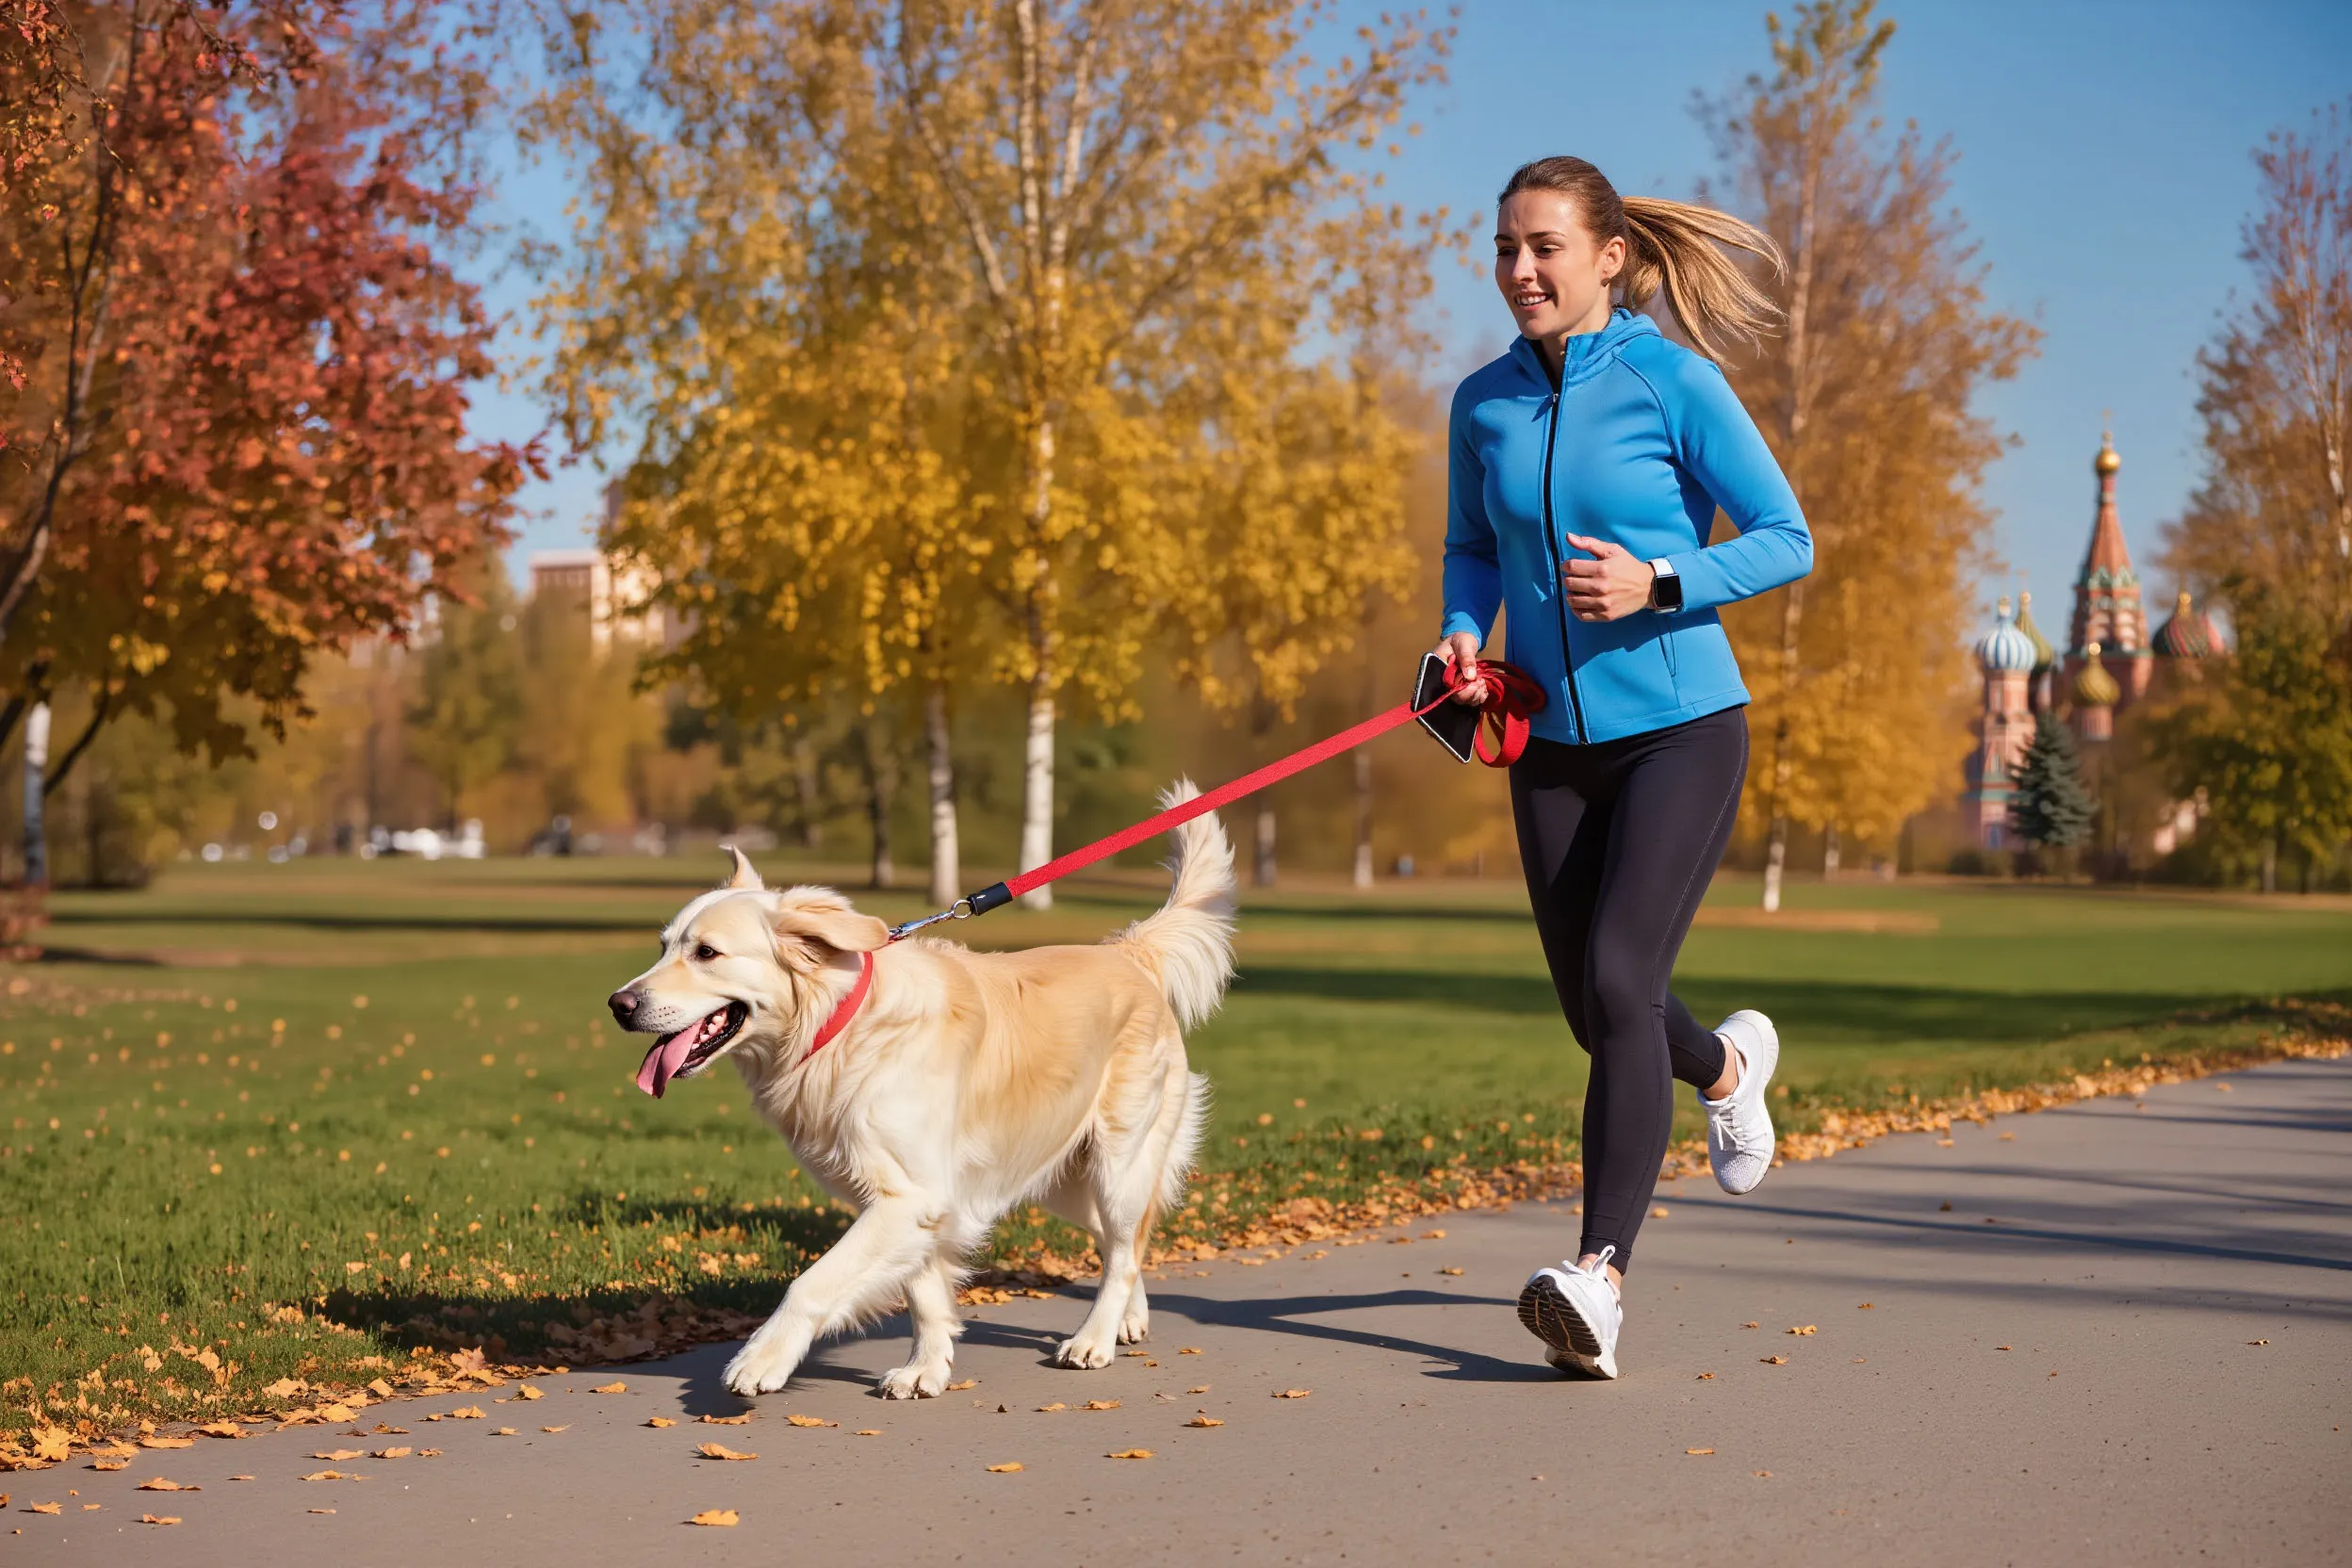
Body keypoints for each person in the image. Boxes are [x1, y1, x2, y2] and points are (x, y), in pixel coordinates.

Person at [1434, 155, 1813, 1380]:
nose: (1520, 270)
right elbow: (1469, 544)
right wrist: (1461, 626)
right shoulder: (1482, 402)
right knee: (1601, 1012)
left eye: (1543, 247)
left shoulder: (1671, 380)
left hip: (1682, 728)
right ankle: (1728, 1065)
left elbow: (1785, 537)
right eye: (1505, 248)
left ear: (1608, 258)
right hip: (1545, 743)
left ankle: (1598, 1280)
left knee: (1615, 978)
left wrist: (1661, 581)